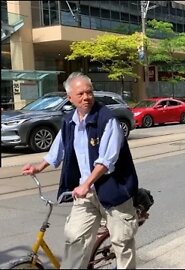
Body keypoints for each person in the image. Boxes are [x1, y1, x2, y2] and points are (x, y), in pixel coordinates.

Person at [22, 72, 139, 269]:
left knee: (122, 242)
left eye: (89, 92)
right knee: (74, 239)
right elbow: (57, 149)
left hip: (113, 191)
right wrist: (38, 167)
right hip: (85, 195)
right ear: (70, 98)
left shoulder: (106, 119)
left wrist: (86, 184)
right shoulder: (69, 121)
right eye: (80, 94)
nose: (86, 97)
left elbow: (106, 161)